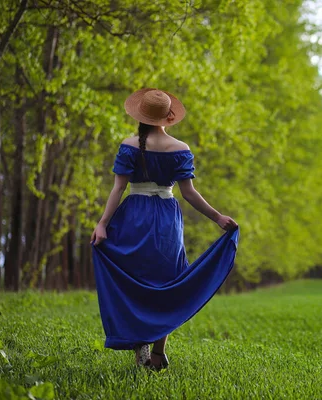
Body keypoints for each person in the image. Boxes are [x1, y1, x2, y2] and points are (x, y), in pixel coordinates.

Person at [91, 88, 239, 370]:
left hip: (133, 215)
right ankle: (157, 353)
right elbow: (190, 194)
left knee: (135, 277)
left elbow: (118, 189)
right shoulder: (180, 149)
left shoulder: (128, 144)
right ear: (168, 118)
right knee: (168, 281)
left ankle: (140, 341)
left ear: (139, 115)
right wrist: (218, 217)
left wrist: (102, 224)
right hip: (166, 222)